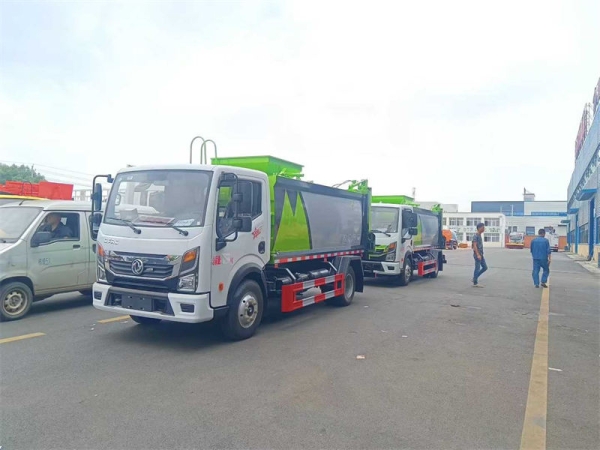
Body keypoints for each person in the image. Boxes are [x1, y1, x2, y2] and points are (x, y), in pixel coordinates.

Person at [472, 222, 487, 287]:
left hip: (481, 254)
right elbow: (474, 245)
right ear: (479, 228)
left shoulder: (479, 235)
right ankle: (475, 282)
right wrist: (478, 254)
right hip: (477, 255)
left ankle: (475, 278)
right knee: (477, 268)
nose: (484, 229)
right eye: (483, 227)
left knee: (485, 267)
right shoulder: (476, 236)